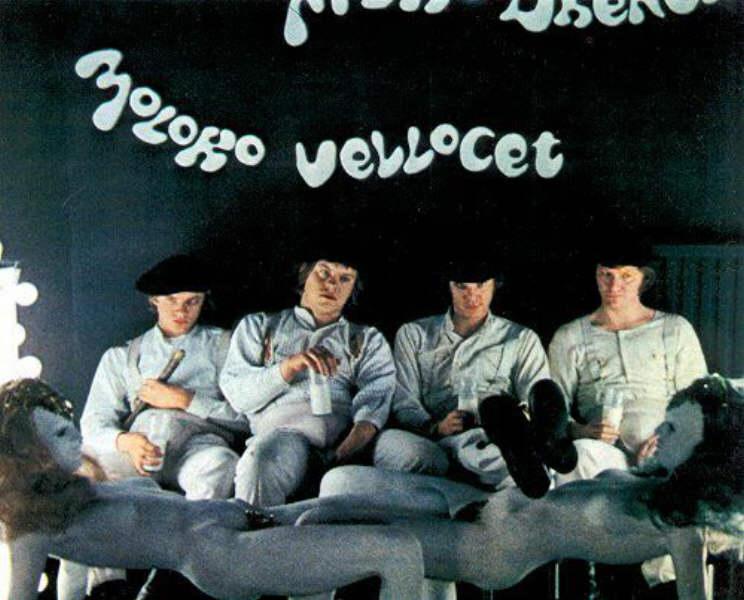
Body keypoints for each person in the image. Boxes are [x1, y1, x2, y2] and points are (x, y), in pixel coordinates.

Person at [281, 375, 744, 600]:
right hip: (496, 503)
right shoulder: (641, 479)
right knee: (333, 508)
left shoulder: (684, 528)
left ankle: (544, 450)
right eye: (667, 420)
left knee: (344, 529)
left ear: (704, 456)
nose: (659, 432)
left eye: (674, 430)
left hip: (494, 549)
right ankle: (546, 451)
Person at [0, 379, 425, 600]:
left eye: (67, 422)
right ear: (27, 451)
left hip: (244, 517)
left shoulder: (76, 494)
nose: (75, 435)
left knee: (373, 508)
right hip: (225, 555)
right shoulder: (30, 530)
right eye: (59, 433)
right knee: (396, 550)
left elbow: (79, 578)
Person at [78, 254, 248, 599]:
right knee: (94, 469)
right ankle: (109, 584)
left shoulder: (226, 346)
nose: (181, 310)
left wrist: (186, 400)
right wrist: (125, 441)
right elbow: (93, 422)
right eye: (172, 300)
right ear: (154, 300)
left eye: (192, 301)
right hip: (140, 449)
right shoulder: (123, 356)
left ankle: (172, 577)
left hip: (199, 444)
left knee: (221, 466)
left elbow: (247, 418)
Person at [220, 254, 395, 506]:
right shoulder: (260, 326)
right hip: (284, 436)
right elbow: (239, 396)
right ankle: (258, 528)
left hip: (350, 439)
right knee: (260, 461)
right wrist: (289, 367)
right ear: (304, 274)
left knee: (415, 455)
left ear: (353, 290)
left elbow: (376, 397)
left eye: (345, 278)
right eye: (324, 272)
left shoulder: (365, 338)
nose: (332, 284)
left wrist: (344, 453)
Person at [374, 257, 554, 494]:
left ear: (495, 284)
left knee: (484, 450)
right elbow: (404, 401)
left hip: (491, 434)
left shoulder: (520, 338)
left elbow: (535, 398)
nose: (472, 296)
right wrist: (435, 427)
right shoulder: (414, 334)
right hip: (431, 437)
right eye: (462, 287)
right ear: (449, 286)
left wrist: (517, 419)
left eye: (481, 285)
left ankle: (531, 461)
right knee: (415, 453)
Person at [548, 247, 707, 483]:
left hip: (665, 450)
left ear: (644, 279)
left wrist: (671, 440)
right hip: (605, 453)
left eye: (626, 276)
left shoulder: (675, 329)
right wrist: (582, 431)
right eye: (606, 275)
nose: (614, 286)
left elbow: (699, 403)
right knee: (578, 457)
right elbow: (553, 411)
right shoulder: (570, 336)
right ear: (596, 275)